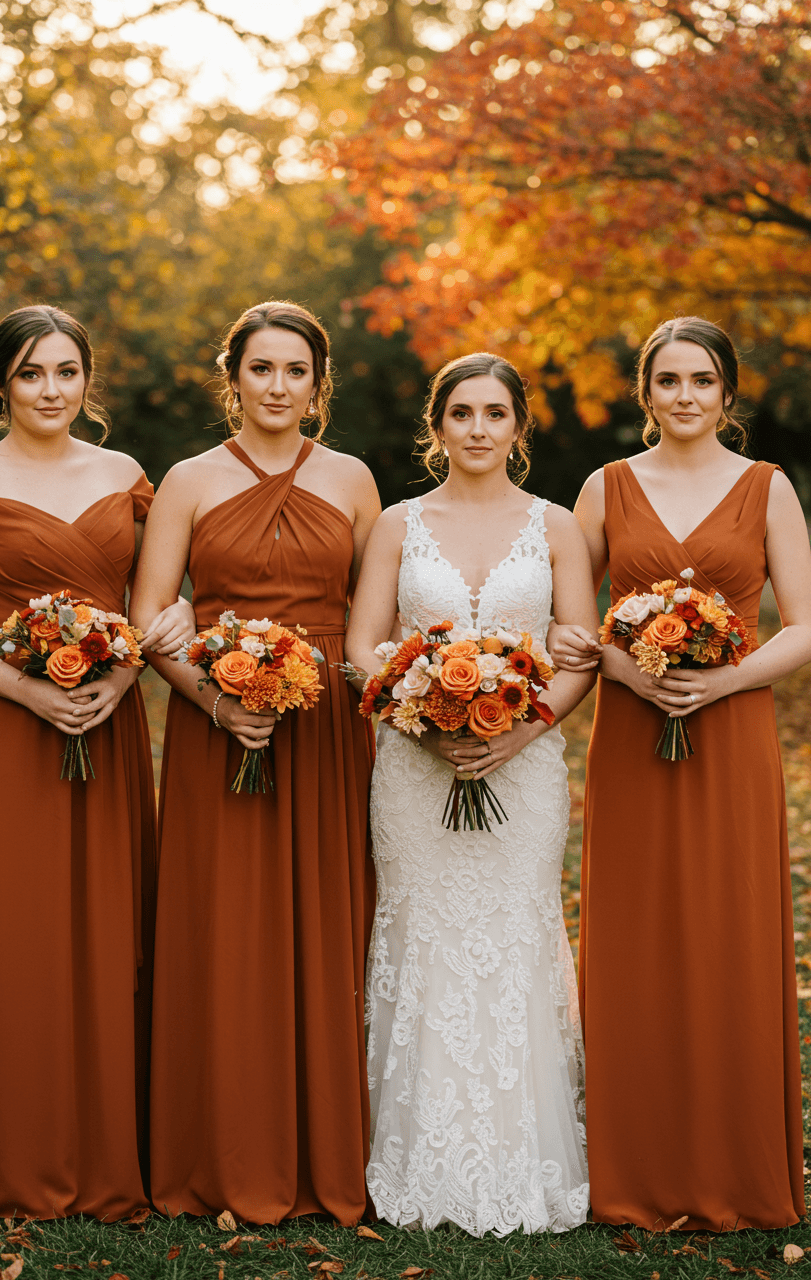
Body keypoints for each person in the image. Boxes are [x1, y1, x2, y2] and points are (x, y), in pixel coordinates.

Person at [0, 304, 194, 1218]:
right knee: (16, 928)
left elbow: (163, 605)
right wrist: (25, 688)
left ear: (87, 380)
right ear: (1, 384)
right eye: (31, 374)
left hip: (104, 724)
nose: (50, 390)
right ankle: (7, 1145)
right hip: (7, 728)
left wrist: (124, 678)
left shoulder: (127, 478)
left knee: (106, 927)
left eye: (66, 371)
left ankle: (108, 1144)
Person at [551, 316, 811, 1230]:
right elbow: (568, 624)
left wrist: (722, 682)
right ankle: (635, 1164)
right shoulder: (604, 488)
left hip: (732, 735)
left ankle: (735, 1166)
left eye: (702, 381)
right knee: (639, 933)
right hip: (633, 732)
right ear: (645, 392)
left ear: (728, 395)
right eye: (669, 381)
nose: (686, 396)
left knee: (726, 928)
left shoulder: (768, 489)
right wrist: (634, 672)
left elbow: (805, 624)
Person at [131, 300, 381, 1223]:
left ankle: (324, 1147)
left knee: (325, 923)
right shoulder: (189, 480)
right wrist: (217, 701)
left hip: (323, 730)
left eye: (296, 371)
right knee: (222, 927)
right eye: (261, 369)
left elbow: (371, 618)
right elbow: (152, 618)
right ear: (231, 376)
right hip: (216, 722)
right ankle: (218, 1145)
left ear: (319, 384)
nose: (278, 387)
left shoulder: (355, 480)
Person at [345, 352, 597, 1235]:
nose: (480, 429)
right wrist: (422, 716)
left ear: (519, 428)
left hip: (525, 774)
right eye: (462, 413)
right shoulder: (395, 525)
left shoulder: (558, 526)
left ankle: (524, 1158)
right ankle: (411, 1157)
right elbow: (362, 644)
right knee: (420, 930)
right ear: (438, 425)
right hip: (414, 769)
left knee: (516, 931)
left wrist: (519, 730)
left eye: (496, 413)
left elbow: (578, 651)